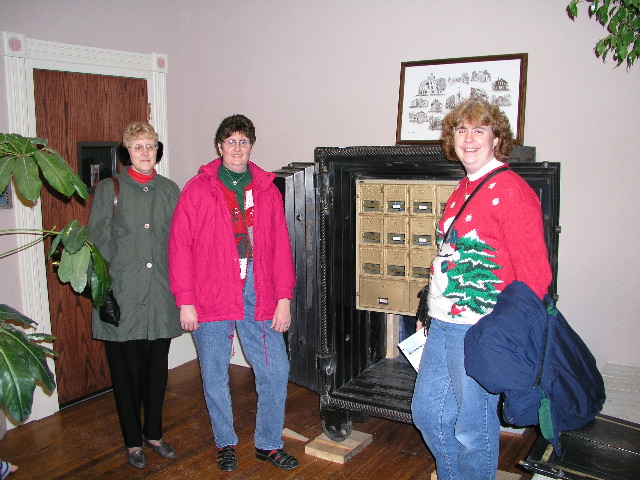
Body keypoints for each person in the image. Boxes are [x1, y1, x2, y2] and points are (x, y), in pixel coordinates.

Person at [411, 98, 552, 480]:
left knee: (473, 428)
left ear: (496, 137)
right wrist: (430, 306)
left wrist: (502, 333)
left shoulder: (510, 191)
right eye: (461, 129)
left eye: (479, 130)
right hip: (442, 323)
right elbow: (449, 252)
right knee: (428, 413)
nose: (468, 138)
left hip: (478, 328)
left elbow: (535, 276)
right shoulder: (465, 187)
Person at [168, 114, 298, 472]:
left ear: (250, 146)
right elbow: (180, 246)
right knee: (214, 373)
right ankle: (225, 441)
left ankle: (268, 443)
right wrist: (186, 301)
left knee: (275, 369)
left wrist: (283, 298)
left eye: (243, 141)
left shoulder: (267, 189)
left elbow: (280, 249)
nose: (237, 148)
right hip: (211, 292)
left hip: (260, 292)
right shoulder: (197, 189)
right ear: (219, 147)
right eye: (230, 142)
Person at [88, 121, 182, 469]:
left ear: (158, 150)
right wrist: (103, 295)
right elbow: (95, 247)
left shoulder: (171, 190)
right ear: (126, 152)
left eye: (150, 146)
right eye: (138, 146)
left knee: (157, 370)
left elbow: (181, 245)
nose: (145, 152)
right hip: (121, 297)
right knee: (125, 374)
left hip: (160, 297)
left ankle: (154, 434)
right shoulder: (108, 190)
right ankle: (132, 441)